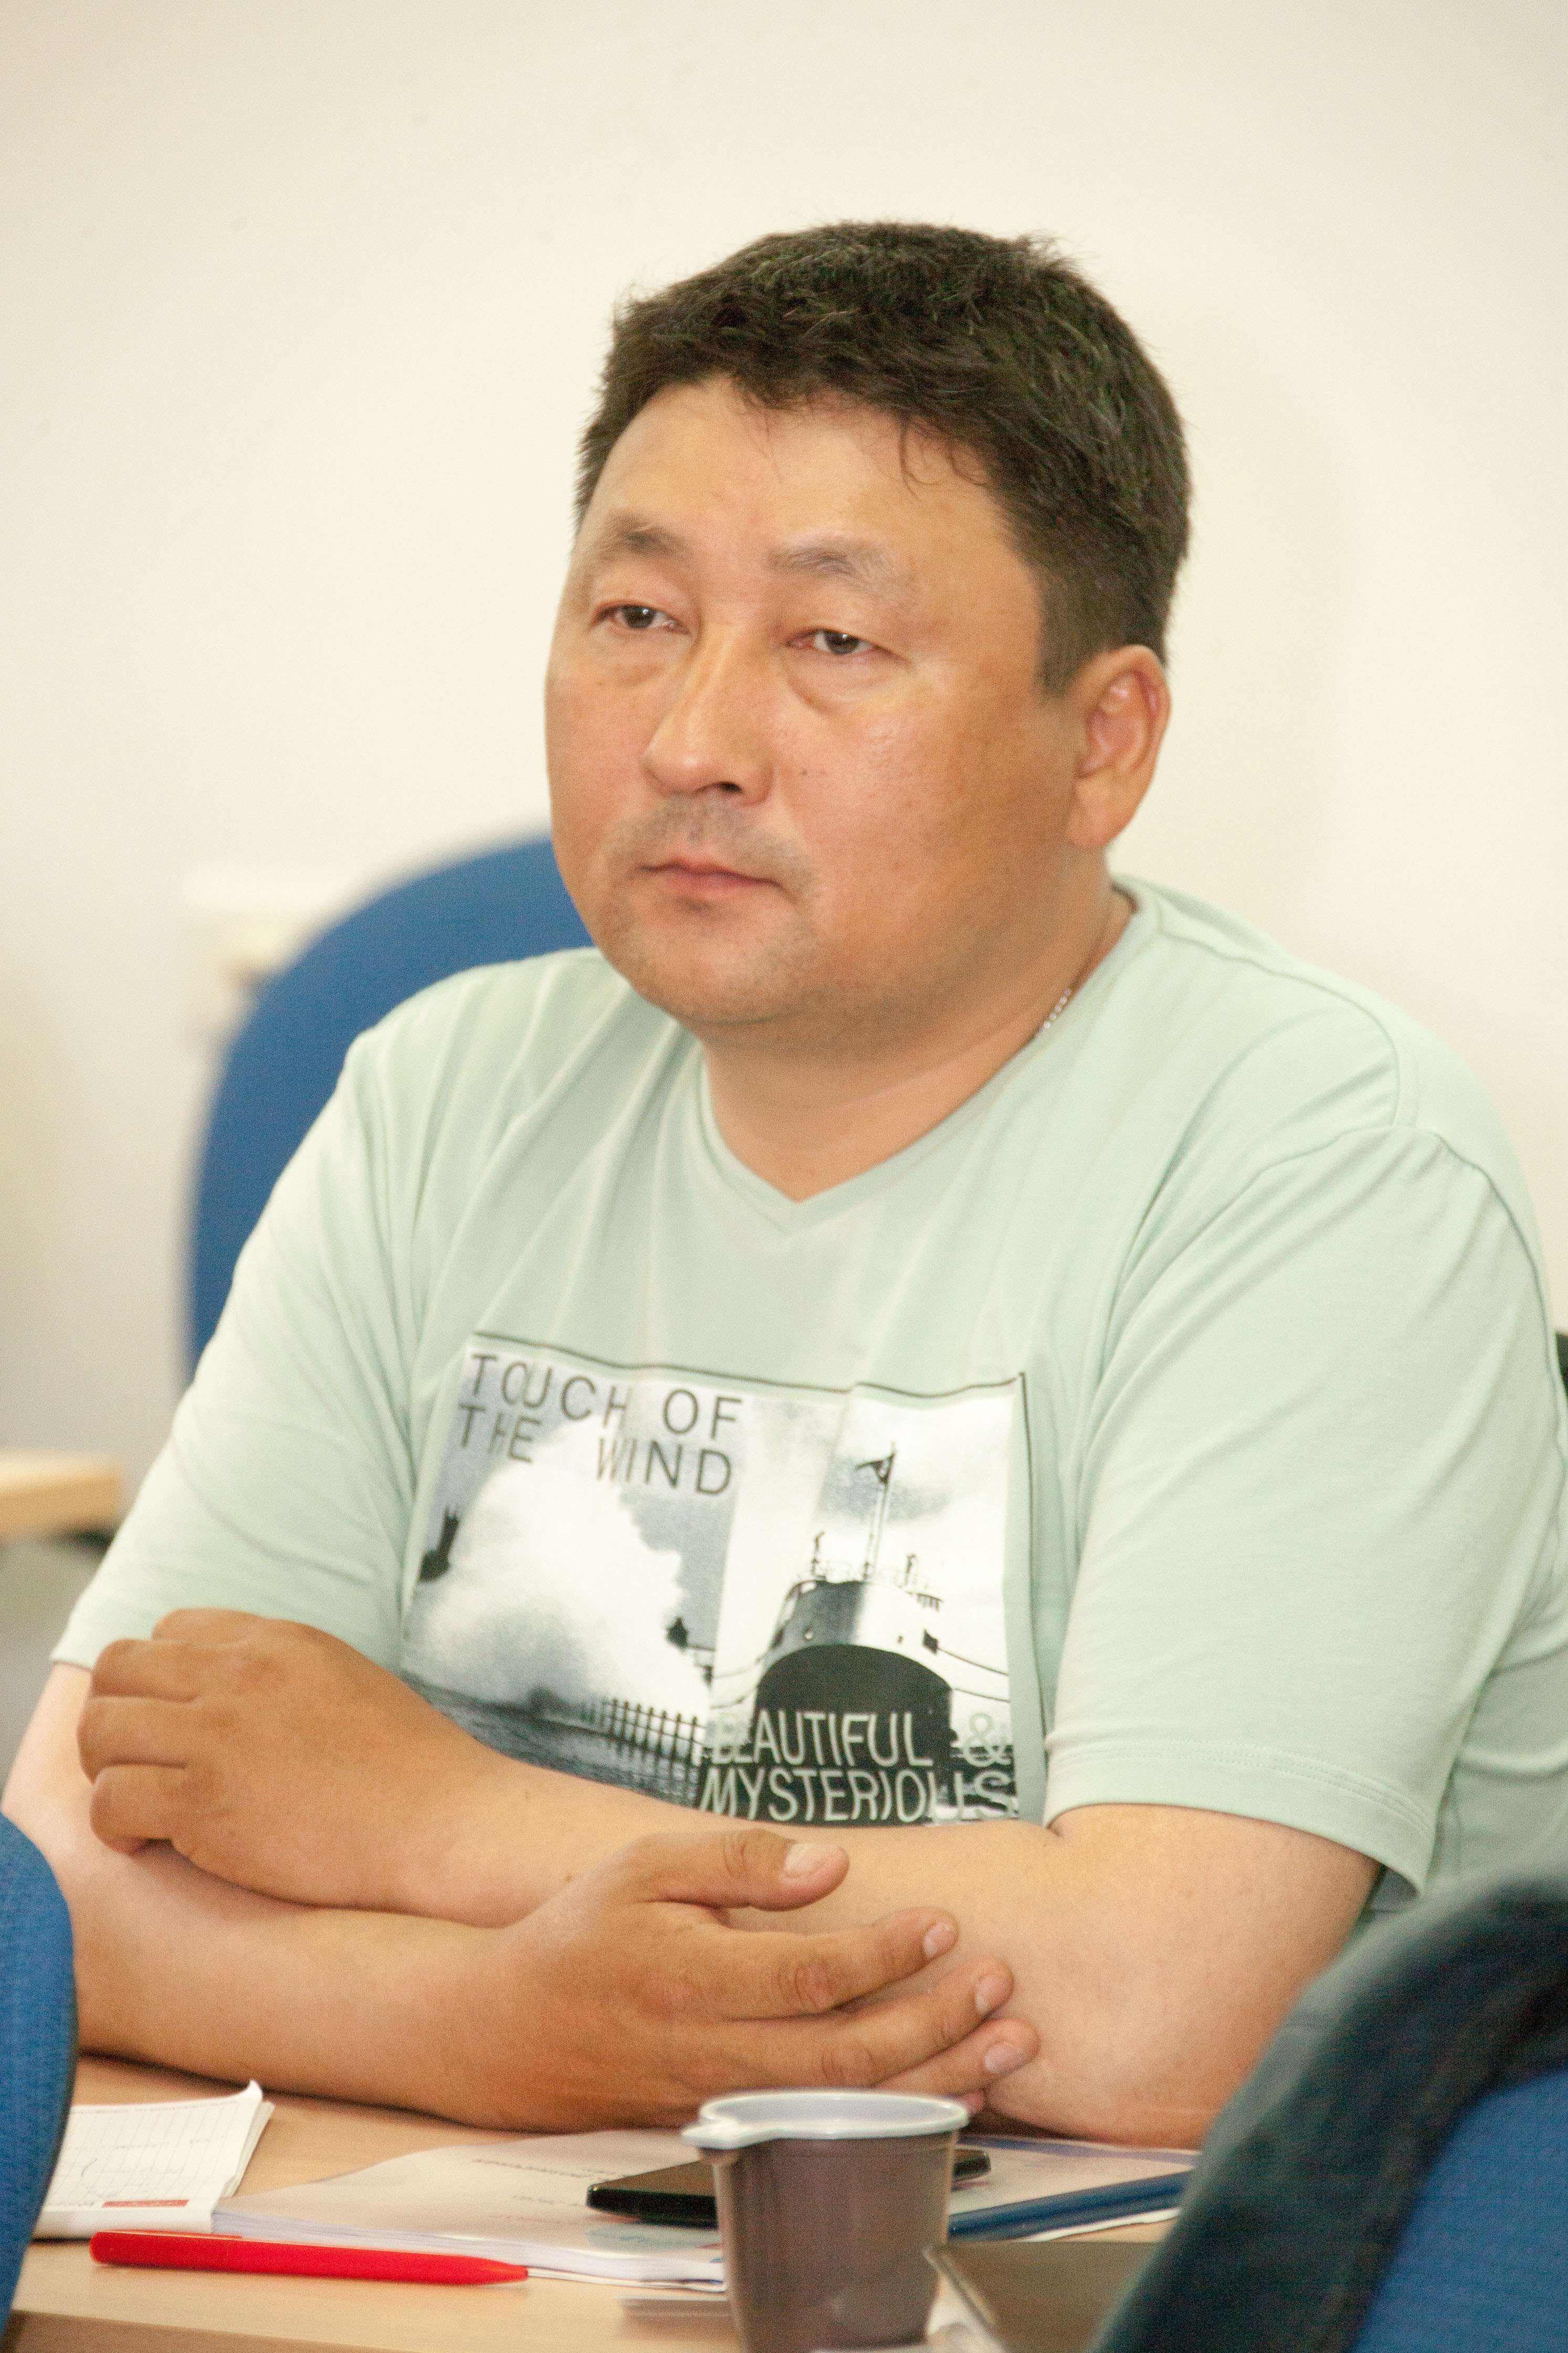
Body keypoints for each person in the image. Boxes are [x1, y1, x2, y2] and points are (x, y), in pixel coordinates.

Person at [6, 223, 1565, 2148]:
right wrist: (491, 2026)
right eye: (636, 615)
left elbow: (1151, 2008)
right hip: (486, 2222)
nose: (690, 740)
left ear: (1102, 742)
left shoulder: (1318, 1160)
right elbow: (61, 1877)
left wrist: (425, 1818)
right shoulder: (440, 1092)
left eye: (833, 643)